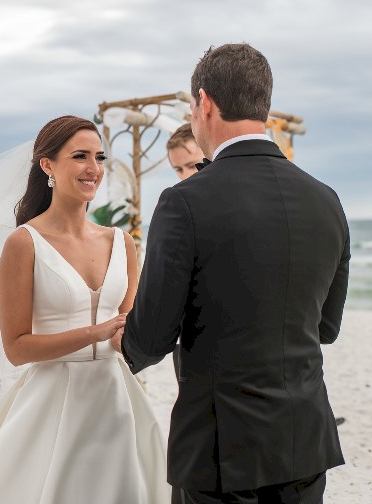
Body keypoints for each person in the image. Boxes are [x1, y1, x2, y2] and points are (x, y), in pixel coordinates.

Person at [115, 44, 350, 503]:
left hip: (222, 450)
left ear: (204, 103)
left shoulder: (185, 201)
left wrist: (117, 345)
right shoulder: (327, 200)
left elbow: (153, 335)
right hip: (304, 443)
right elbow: (326, 326)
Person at [0, 116, 171, 503]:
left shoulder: (122, 242)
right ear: (47, 165)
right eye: (79, 156)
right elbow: (16, 348)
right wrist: (93, 332)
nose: (92, 168)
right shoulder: (23, 242)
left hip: (116, 399)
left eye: (98, 157)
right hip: (50, 401)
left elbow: (123, 333)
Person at [166, 123, 202, 380]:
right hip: (187, 338)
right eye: (178, 169)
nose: (185, 175)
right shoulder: (179, 204)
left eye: (192, 165)